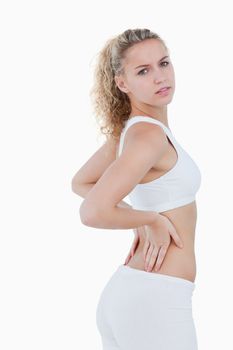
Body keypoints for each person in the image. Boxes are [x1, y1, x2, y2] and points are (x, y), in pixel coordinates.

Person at [72, 28, 201, 350]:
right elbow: (92, 211)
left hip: (136, 295)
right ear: (122, 83)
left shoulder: (131, 132)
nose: (159, 77)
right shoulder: (148, 136)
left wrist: (141, 217)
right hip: (156, 301)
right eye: (143, 71)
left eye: (164, 63)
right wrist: (151, 220)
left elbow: (82, 182)